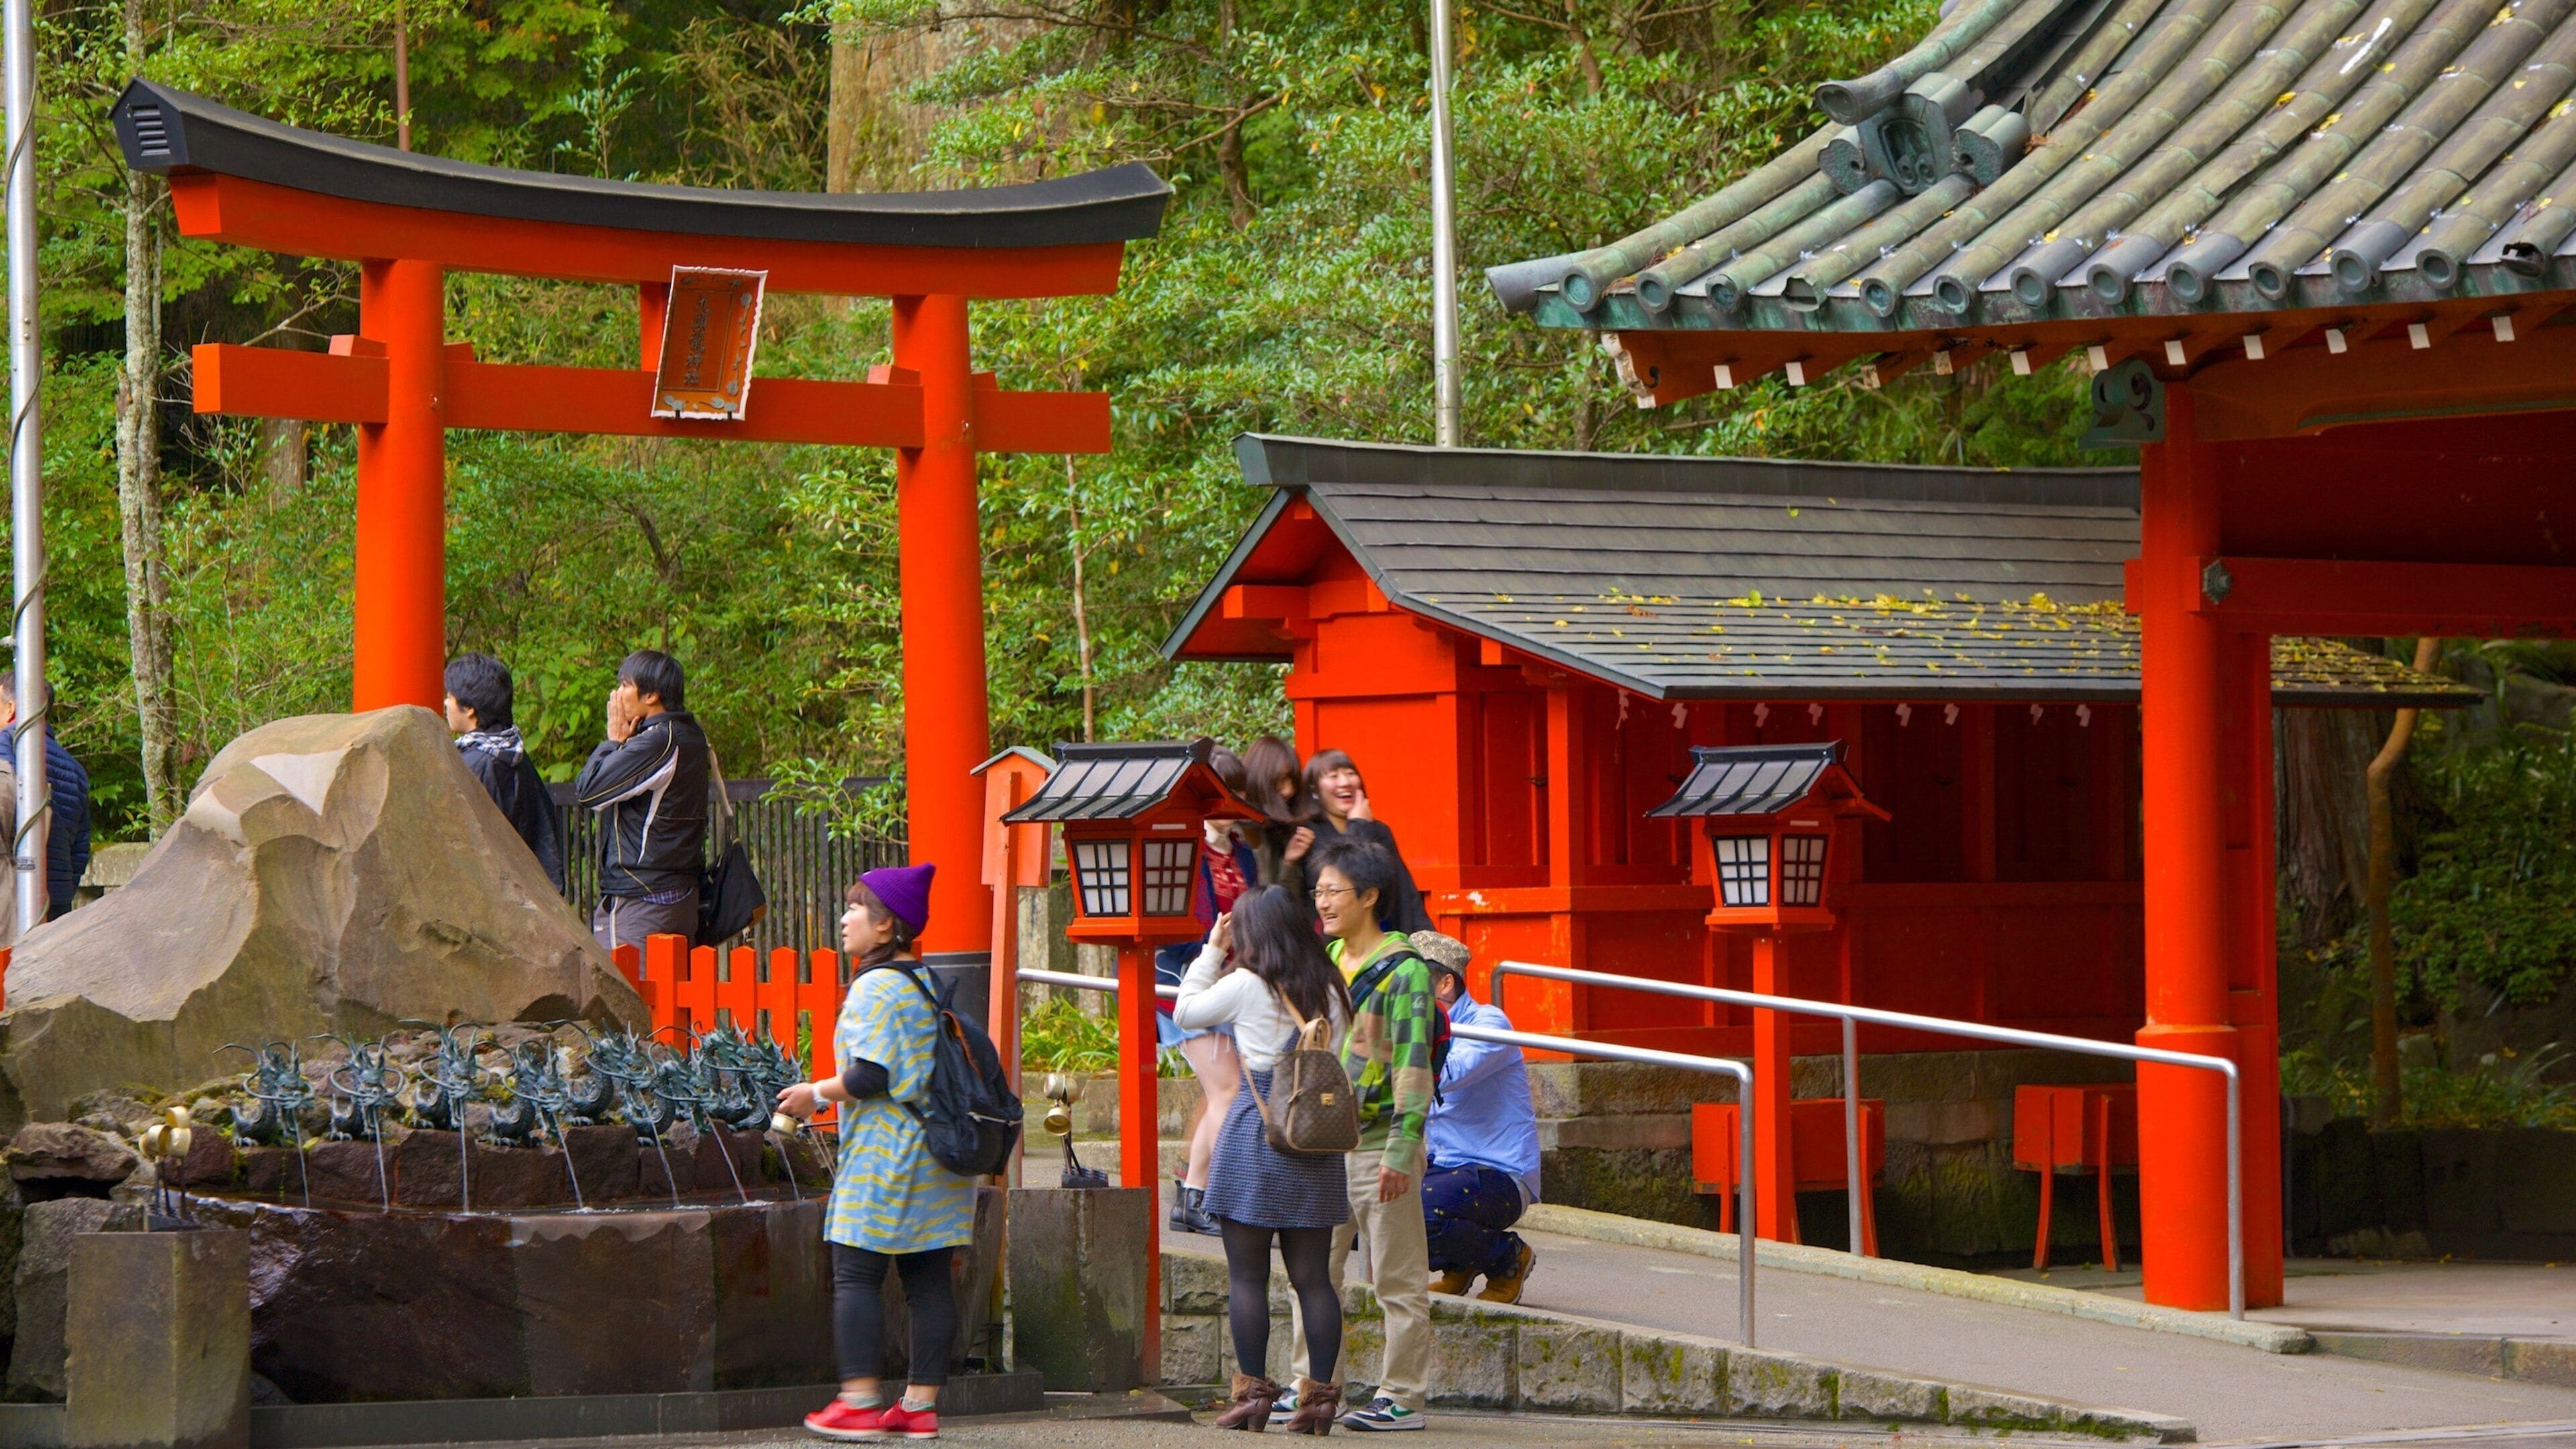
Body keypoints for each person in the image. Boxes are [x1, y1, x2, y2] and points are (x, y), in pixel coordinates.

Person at [783, 863, 972, 1442]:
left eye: (855, 909)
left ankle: (859, 1400)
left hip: (888, 1154)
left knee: (856, 1271)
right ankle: (918, 1407)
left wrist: (813, 1093)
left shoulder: (875, 986)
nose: (844, 919)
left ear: (887, 925)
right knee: (927, 1278)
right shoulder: (924, 980)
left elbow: (869, 1077)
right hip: (940, 1150)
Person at [1171, 884, 1354, 1434]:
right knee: (1314, 1280)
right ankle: (1319, 1403)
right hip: (1314, 1137)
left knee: (1248, 1279)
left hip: (1257, 1129)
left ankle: (1253, 1397)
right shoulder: (1332, 985)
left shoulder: (1246, 984)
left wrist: (1210, 949)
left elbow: (1184, 1013)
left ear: (1249, 934)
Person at [1281, 839, 1436, 1432]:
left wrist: (1403, 1149)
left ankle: (1403, 1397)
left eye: (1332, 891)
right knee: (1312, 1273)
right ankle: (1314, 1386)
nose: (1321, 901)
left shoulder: (1406, 972)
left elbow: (1414, 1068)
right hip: (1322, 1145)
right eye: (1317, 891)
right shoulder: (1327, 958)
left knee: (1396, 1279)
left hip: (1378, 1145)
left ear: (1369, 896)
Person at [1409, 931, 1541, 1304]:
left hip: (1498, 1173)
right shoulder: (1423, 1027)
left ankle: (1507, 1258)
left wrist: (1394, 1043)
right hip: (1446, 1164)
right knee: (1372, 1210)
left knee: (1420, 1212)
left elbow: (1445, 1075)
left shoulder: (1489, 1023)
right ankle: (1460, 1262)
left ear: (1445, 982)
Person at [1163, 747, 1256, 1237]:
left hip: (1233, 988)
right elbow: (1178, 933)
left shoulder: (1241, 852)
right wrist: (1216, 942)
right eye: (1222, 792)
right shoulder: (1184, 850)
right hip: (1184, 986)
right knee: (1229, 1090)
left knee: (1230, 1091)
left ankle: (1193, 1196)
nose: (1231, 802)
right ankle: (1197, 1195)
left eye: (1235, 792)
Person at [572, 649, 709, 953]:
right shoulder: (691, 736)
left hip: (640, 900)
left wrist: (613, 741)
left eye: (624, 685)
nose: (617, 695)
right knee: (672, 997)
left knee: (625, 996)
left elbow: (589, 791)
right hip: (681, 895)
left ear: (651, 696)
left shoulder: (658, 741)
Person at [443, 653, 567, 894]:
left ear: (469, 709)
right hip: (529, 890)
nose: (445, 703)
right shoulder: (513, 753)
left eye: (449, 696)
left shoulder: (476, 764)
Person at [1301, 749, 1431, 934]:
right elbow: (1343, 878)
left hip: (1383, 940)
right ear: (1314, 789)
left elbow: (1405, 893)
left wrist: (1425, 940)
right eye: (1334, 776)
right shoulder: (1307, 833)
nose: (1345, 782)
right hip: (1330, 944)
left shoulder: (1379, 831)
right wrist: (1359, 826)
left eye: (1350, 773)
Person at [0, 678, 89, 924]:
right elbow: (81, 848)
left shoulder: (5, 745)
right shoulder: (75, 769)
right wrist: (63, 887)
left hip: (13, 903)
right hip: (57, 902)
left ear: (11, 708)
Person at [1240, 735, 1317, 896]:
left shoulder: (1278, 830)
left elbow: (1282, 906)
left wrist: (1289, 863)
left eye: (1293, 781)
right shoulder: (1231, 830)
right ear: (1261, 778)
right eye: (1280, 780)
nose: (1289, 791)